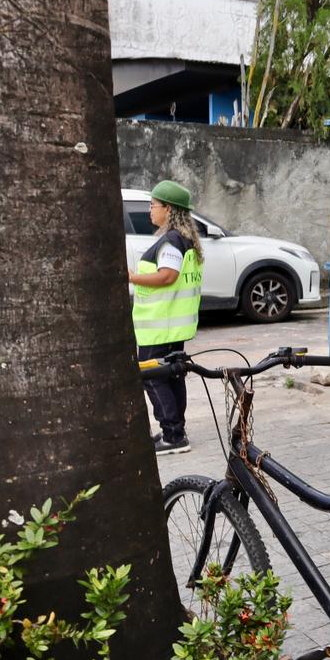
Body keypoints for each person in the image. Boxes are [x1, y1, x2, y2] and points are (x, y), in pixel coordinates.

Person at [128, 179, 204, 457]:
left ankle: (173, 435)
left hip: (160, 327)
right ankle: (176, 429)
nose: (150, 210)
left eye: (153, 205)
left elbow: (167, 276)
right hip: (173, 327)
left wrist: (132, 277)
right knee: (173, 376)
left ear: (168, 209)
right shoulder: (185, 240)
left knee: (152, 376)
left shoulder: (171, 241)